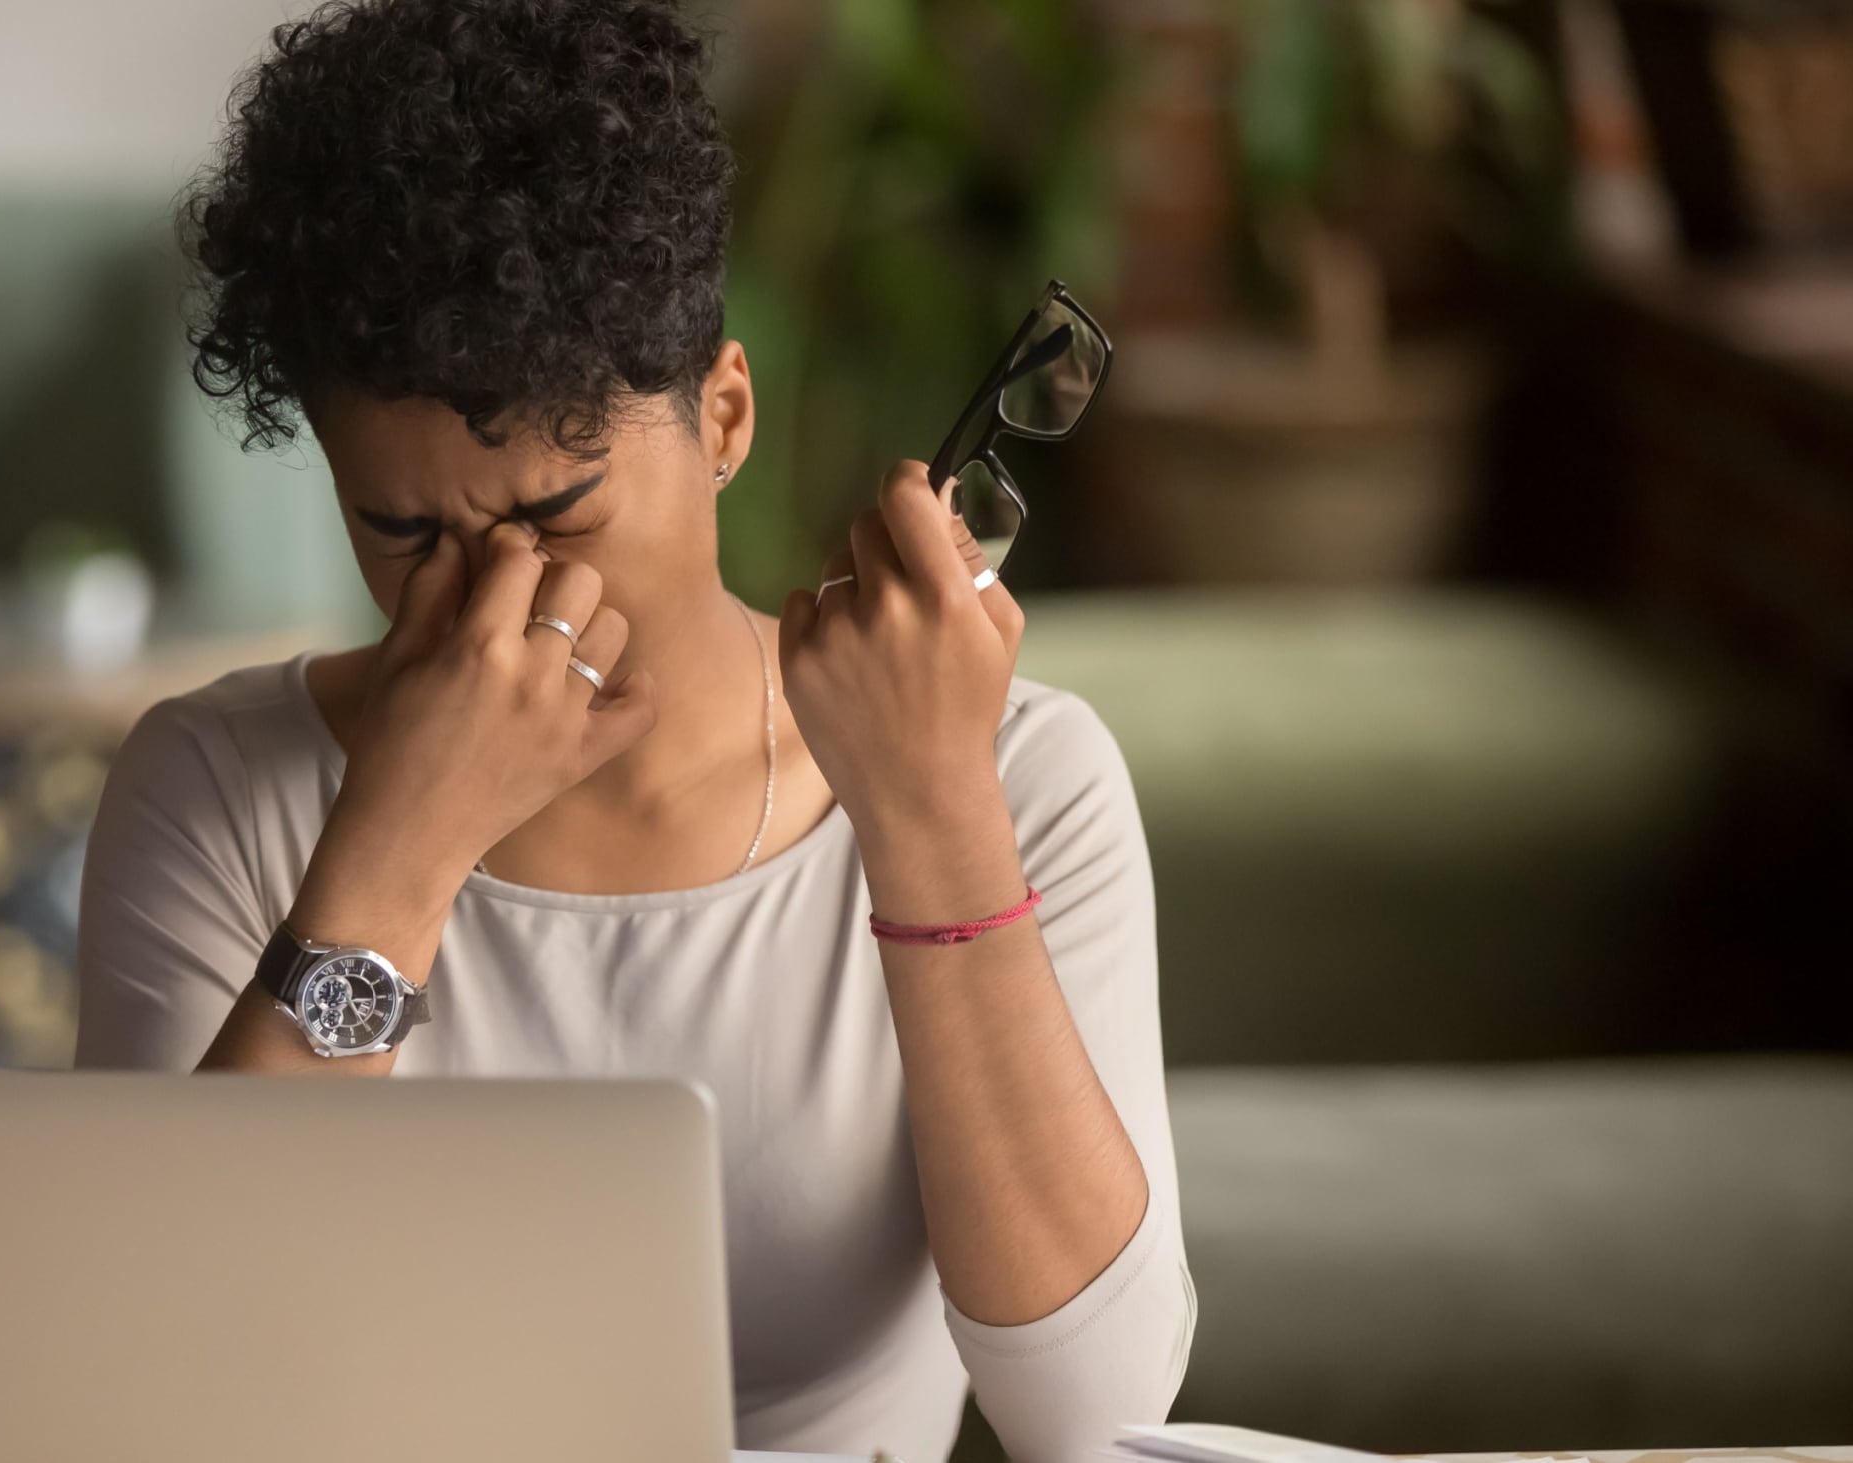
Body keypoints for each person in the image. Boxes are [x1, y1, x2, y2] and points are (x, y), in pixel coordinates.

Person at [73, 1, 1194, 1458]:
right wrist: (399, 847)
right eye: (403, 532)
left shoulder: (1026, 777)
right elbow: (151, 1400)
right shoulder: (217, 790)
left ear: (723, 417)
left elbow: (1098, 1417)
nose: (499, 594)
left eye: (559, 511)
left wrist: (931, 813)